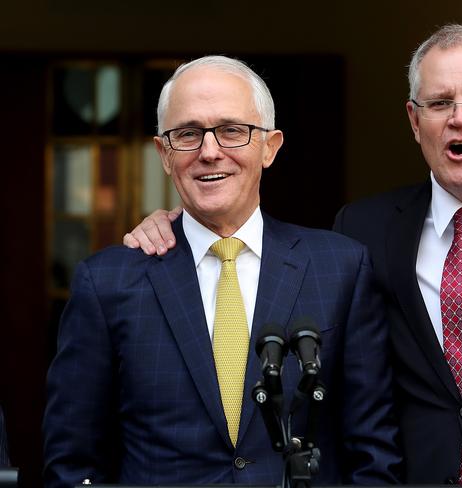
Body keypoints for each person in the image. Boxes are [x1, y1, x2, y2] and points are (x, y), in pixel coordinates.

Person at [124, 25, 462, 487]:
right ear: (414, 121)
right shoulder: (363, 230)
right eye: (440, 103)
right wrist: (183, 225)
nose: (459, 119)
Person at [43, 56, 402, 488]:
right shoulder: (107, 283)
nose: (209, 151)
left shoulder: (340, 268)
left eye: (232, 130)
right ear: (163, 152)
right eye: (188, 134)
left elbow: (373, 454)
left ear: (270, 146)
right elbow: (72, 463)